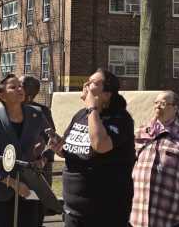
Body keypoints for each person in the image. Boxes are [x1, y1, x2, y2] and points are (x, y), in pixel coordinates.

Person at [48, 68, 135, 227]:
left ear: (107, 95)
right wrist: (59, 148)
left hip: (104, 213)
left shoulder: (120, 119)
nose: (86, 84)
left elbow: (100, 145)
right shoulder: (81, 115)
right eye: (87, 80)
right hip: (73, 211)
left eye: (93, 83)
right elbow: (72, 150)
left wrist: (92, 109)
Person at [0, 74, 46, 227]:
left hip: (30, 190)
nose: (20, 89)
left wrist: (42, 158)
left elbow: (49, 143)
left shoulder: (36, 114)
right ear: (1, 95)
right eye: (13, 87)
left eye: (20, 86)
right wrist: (14, 184)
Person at [130, 90, 179, 227]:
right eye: (156, 103)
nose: (158, 106)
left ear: (175, 108)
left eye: (163, 103)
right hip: (137, 219)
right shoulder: (141, 133)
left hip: (169, 220)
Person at [20, 75, 56, 224]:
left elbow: (52, 139)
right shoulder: (10, 110)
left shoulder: (42, 112)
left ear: (28, 94)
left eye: (19, 85)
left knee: (35, 209)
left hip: (38, 169)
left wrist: (44, 158)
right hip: (16, 168)